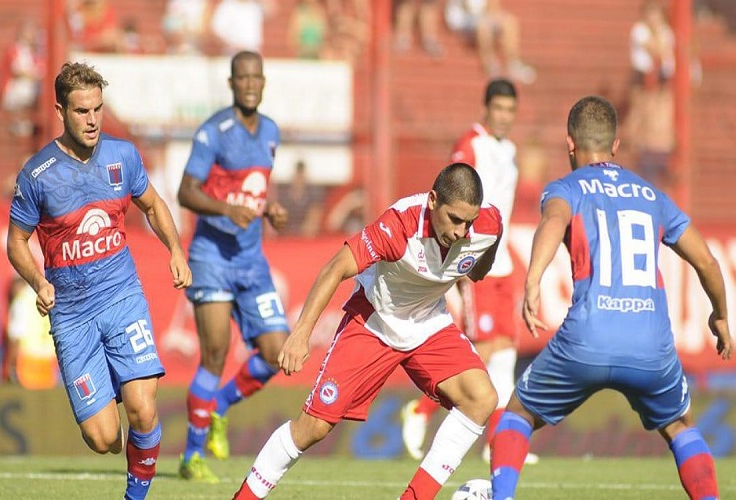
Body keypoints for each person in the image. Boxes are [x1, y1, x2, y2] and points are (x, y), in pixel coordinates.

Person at [488, 95, 734, 500]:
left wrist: (533, 279)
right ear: (616, 146)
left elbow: (553, 221)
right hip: (649, 344)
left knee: (517, 413)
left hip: (587, 337)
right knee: (680, 426)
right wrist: (720, 315)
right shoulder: (652, 196)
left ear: (570, 144)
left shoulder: (565, 188)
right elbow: (706, 261)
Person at [232, 163, 503, 499]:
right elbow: (335, 267)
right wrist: (301, 333)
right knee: (312, 428)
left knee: (482, 398)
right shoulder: (398, 226)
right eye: (455, 220)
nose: (462, 231)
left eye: (468, 222)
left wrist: (479, 268)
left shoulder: (486, 225)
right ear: (432, 200)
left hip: (429, 324)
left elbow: (489, 242)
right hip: (374, 322)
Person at [6, 62, 192, 499]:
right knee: (104, 438)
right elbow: (16, 241)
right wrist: (39, 281)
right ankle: (110, 391)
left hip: (122, 296)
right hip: (71, 316)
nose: (92, 120)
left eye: (98, 109)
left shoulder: (123, 156)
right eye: (82, 111)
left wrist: (176, 251)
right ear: (60, 111)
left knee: (143, 410)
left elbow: (152, 204)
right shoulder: (38, 174)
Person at [401, 78, 537, 465]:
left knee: (506, 351)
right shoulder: (470, 144)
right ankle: (421, 410)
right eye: (499, 109)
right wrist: (458, 261)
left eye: (511, 110)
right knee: (484, 346)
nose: (505, 117)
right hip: (475, 260)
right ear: (486, 108)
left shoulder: (508, 151)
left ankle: (496, 442)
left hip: (502, 261)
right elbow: (453, 198)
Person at [176, 50, 290, 483]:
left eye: (256, 77)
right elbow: (187, 191)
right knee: (216, 354)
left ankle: (220, 404)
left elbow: (255, 191)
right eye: (242, 78)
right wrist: (225, 208)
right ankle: (191, 456)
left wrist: (270, 211)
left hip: (250, 259)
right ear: (231, 83)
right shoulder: (214, 131)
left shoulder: (271, 132)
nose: (249, 84)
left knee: (276, 354)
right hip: (211, 256)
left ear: (263, 82)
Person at [625, 0, 676, 189]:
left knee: (660, 117)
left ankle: (660, 156)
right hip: (642, 78)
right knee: (642, 117)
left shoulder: (667, 32)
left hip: (662, 79)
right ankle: (641, 155)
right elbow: (655, 49)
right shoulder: (640, 30)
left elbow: (664, 52)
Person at [444, 0, 536, 83]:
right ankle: (490, 65)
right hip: (463, 21)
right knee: (483, 27)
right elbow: (469, 8)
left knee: (509, 22)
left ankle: (513, 64)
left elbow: (493, 8)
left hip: (482, 18)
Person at [4, 276, 58, 389]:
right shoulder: (49, 296)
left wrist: (9, 366)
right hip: (49, 361)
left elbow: (16, 336)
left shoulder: (21, 301)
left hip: (28, 361)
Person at [0, 19, 45, 137]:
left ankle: (26, 124)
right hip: (12, 90)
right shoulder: (14, 50)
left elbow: (42, 70)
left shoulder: (34, 52)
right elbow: (18, 71)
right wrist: (34, 75)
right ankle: (19, 123)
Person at [273, 159, 325, 237]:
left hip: (304, 238)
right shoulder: (283, 196)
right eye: (297, 175)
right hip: (285, 237)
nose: (299, 179)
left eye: (301, 175)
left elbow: (313, 223)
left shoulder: (313, 196)